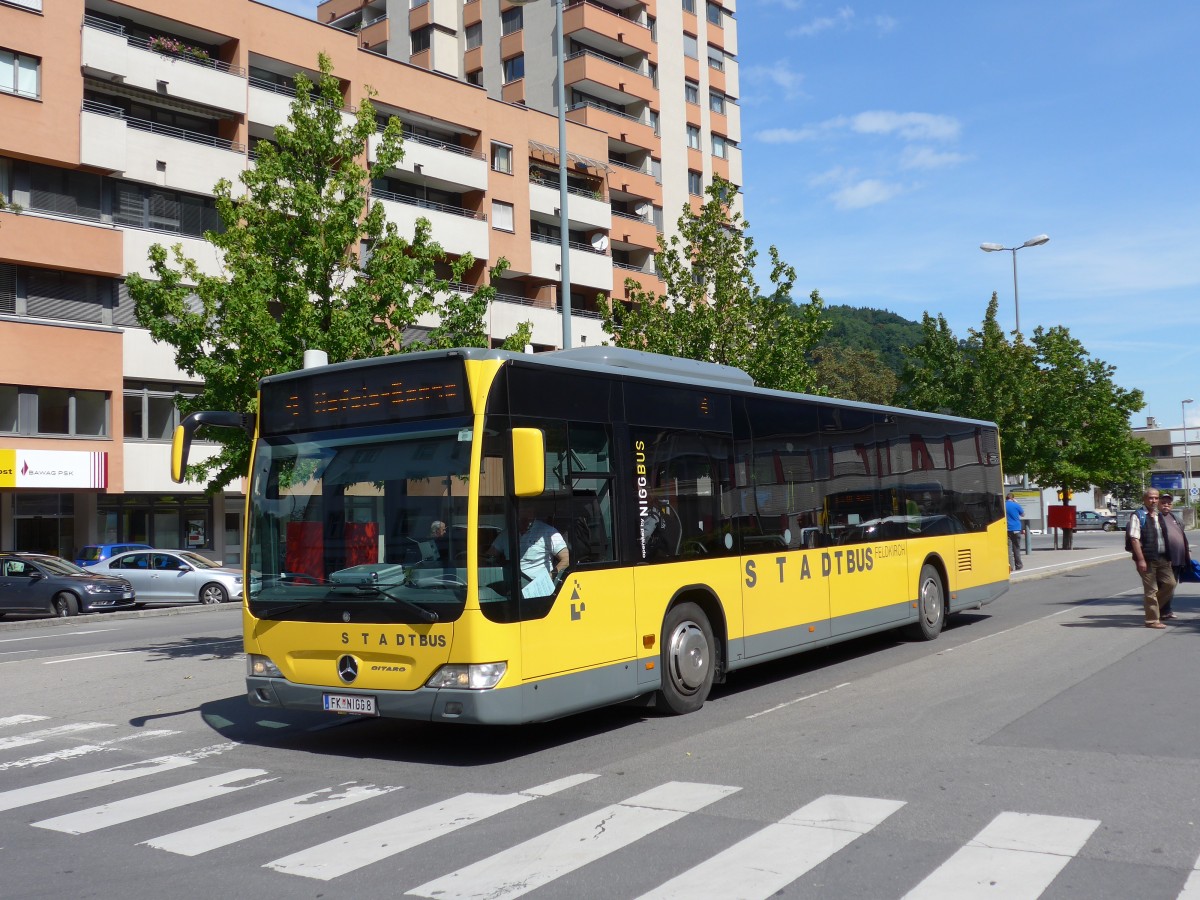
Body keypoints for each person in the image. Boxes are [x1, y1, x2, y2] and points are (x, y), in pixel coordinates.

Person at [485, 507, 569, 598]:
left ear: (532, 513)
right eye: (520, 514)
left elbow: (566, 560)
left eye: (526, 512)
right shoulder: (507, 533)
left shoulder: (548, 532)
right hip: (511, 588)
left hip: (538, 590)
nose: (523, 517)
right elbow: (489, 556)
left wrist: (550, 577)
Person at [1127, 488, 1175, 628]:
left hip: (1163, 558)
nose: (1153, 500)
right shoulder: (1138, 515)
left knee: (1170, 584)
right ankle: (1152, 620)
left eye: (1155, 498)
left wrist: (1169, 556)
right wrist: (1140, 559)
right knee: (1151, 590)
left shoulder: (1159, 515)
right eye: (1150, 498)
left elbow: (1164, 537)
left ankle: (1151, 608)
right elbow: (1134, 539)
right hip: (1147, 559)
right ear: (1144, 499)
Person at [1158, 495, 1190, 619]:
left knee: (1171, 586)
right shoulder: (1156, 518)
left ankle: (1166, 610)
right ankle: (1158, 610)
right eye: (1163, 502)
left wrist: (1187, 550)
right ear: (1159, 504)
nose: (1166, 505)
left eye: (1169, 503)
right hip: (1164, 559)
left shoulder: (1176, 518)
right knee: (1165, 585)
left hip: (1178, 558)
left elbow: (1182, 535)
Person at [1005, 492, 1025, 572]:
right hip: (1016, 528)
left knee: (1009, 548)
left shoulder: (1003, 505)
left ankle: (1011, 566)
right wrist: (1017, 503)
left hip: (1007, 529)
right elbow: (1023, 514)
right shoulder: (1016, 505)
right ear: (1013, 498)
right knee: (1016, 547)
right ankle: (1019, 565)